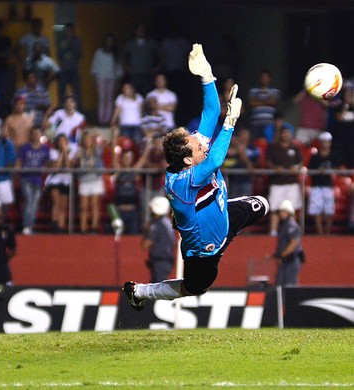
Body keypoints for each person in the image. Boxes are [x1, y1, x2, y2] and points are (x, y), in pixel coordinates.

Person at [123, 44, 269, 308]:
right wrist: (230, 124)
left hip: (225, 218)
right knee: (194, 288)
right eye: (198, 144)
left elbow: (211, 113)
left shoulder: (191, 155)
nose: (203, 142)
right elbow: (215, 159)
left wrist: (207, 76)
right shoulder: (181, 183)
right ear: (189, 160)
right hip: (203, 252)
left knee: (264, 204)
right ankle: (140, 292)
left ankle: (231, 221)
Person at [265, 127, 303, 236]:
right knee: (275, 208)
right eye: (284, 133)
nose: (286, 135)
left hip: (292, 182)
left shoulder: (294, 148)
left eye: (288, 133)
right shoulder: (273, 147)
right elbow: (268, 162)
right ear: (280, 134)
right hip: (277, 183)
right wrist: (276, 168)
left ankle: (292, 231)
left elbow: (300, 162)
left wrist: (295, 168)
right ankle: (273, 231)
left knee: (292, 208)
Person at [16, 127, 50, 235]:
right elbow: (19, 162)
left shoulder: (45, 148)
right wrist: (18, 172)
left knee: (34, 204)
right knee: (29, 201)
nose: (35, 135)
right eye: (33, 133)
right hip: (26, 178)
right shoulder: (25, 148)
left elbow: (48, 163)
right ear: (30, 135)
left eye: (37, 133)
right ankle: (27, 226)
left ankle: (30, 226)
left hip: (38, 179)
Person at [307, 131, 340, 235]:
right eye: (324, 142)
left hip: (329, 186)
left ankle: (327, 233)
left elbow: (338, 169)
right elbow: (310, 171)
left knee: (329, 210)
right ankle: (320, 233)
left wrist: (331, 171)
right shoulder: (315, 157)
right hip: (316, 186)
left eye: (328, 142)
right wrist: (318, 171)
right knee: (316, 210)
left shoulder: (334, 156)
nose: (326, 144)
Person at [44, 134, 77, 233]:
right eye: (60, 141)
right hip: (55, 181)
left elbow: (67, 166)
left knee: (63, 206)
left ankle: (61, 227)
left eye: (64, 141)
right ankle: (54, 225)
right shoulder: (53, 152)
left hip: (66, 181)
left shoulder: (71, 153)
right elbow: (56, 167)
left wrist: (65, 152)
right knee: (56, 203)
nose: (62, 143)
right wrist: (61, 153)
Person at [75, 132, 105, 234]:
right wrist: (78, 160)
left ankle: (94, 228)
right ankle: (83, 229)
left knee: (94, 205)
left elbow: (105, 144)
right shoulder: (79, 152)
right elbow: (76, 166)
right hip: (84, 180)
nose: (87, 141)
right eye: (85, 139)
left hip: (95, 180)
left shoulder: (97, 151)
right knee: (84, 207)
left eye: (89, 139)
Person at [90, 33, 122, 125]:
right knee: (102, 99)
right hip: (101, 78)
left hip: (112, 78)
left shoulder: (115, 54)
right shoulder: (99, 52)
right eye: (108, 40)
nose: (109, 42)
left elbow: (118, 68)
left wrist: (118, 80)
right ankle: (101, 119)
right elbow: (95, 65)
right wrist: (94, 78)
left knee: (110, 100)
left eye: (111, 40)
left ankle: (108, 120)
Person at [142, 196, 175, 283]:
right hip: (167, 260)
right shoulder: (168, 222)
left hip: (159, 261)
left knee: (158, 288)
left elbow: (145, 244)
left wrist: (146, 231)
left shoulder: (155, 225)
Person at [273, 200, 303, 286]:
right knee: (280, 284)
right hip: (285, 259)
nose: (281, 214)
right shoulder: (284, 225)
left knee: (290, 284)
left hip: (291, 259)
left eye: (283, 211)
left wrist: (283, 254)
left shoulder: (291, 225)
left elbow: (294, 242)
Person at [122, 23, 159, 95]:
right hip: (135, 74)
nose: (141, 32)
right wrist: (126, 67)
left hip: (148, 74)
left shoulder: (151, 43)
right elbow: (123, 56)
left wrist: (157, 67)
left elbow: (161, 55)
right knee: (134, 94)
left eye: (143, 30)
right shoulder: (130, 44)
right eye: (139, 30)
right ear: (135, 31)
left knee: (148, 94)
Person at [248, 69, 280, 141]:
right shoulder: (254, 90)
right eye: (262, 77)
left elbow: (273, 102)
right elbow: (251, 103)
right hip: (255, 123)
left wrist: (258, 101)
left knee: (268, 142)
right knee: (255, 142)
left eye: (266, 77)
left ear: (270, 79)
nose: (264, 79)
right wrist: (266, 101)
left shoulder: (274, 91)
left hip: (269, 122)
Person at [57, 23, 82, 106]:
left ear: (73, 31)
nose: (69, 32)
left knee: (76, 92)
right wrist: (67, 43)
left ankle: (77, 111)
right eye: (67, 30)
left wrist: (71, 43)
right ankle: (61, 109)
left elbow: (78, 54)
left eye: (70, 30)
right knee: (61, 91)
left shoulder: (77, 40)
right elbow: (60, 54)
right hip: (64, 70)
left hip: (74, 69)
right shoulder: (61, 41)